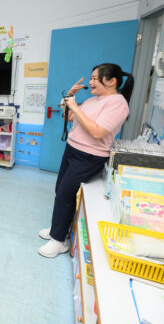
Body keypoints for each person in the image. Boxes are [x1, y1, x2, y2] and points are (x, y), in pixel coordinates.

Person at [38, 63, 134, 258]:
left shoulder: (118, 104)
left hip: (89, 156)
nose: (90, 82)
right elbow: (69, 117)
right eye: (90, 78)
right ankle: (59, 229)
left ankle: (58, 242)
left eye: (95, 79)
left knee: (65, 194)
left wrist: (75, 106)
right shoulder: (92, 100)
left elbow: (97, 132)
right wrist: (68, 98)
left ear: (111, 81)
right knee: (60, 190)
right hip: (72, 149)